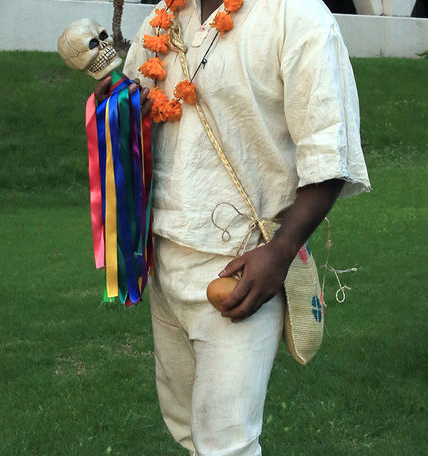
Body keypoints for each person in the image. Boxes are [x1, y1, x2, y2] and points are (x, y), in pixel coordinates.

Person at [94, 0, 370, 455]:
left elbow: (329, 150)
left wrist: (280, 252)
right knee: (188, 432)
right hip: (166, 255)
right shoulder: (166, 14)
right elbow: (144, 111)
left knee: (226, 443)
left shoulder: (298, 15)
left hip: (244, 266)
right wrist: (118, 108)